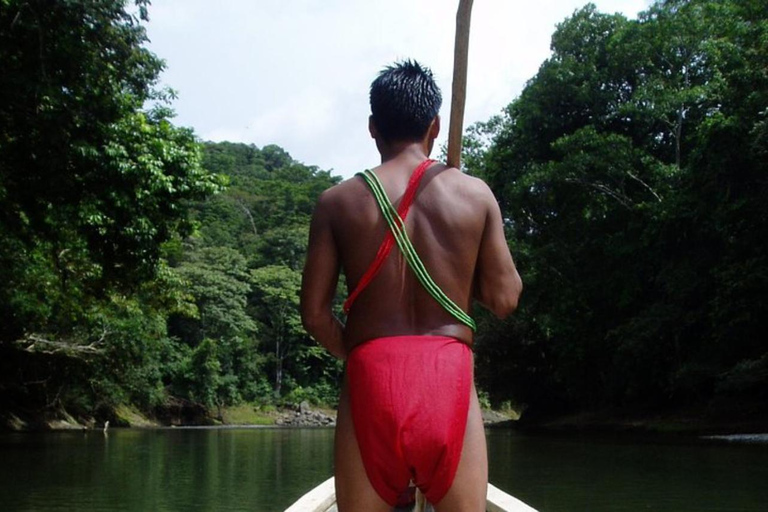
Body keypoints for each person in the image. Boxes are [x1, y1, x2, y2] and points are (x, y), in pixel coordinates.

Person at [300, 60, 522, 512]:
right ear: (435, 125)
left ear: (372, 127)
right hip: (448, 374)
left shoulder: (336, 202)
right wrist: (462, 265)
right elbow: (504, 299)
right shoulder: (475, 195)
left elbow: (315, 315)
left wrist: (357, 353)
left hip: (371, 375)